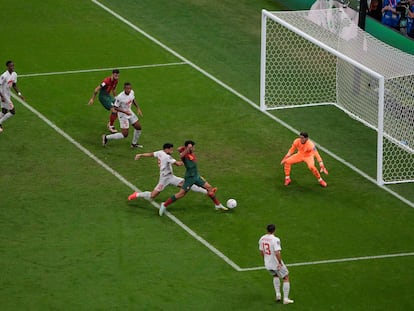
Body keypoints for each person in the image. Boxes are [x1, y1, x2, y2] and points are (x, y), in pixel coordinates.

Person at [158, 140, 228, 216]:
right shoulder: (184, 155)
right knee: (181, 194)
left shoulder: (189, 153)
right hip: (189, 178)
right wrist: (187, 148)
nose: (194, 148)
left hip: (196, 176)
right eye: (193, 147)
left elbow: (179, 148)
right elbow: (181, 155)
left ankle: (217, 204)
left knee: (209, 188)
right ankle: (164, 205)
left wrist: (187, 148)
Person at [127, 143, 208, 201]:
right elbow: (178, 164)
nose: (172, 150)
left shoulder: (160, 152)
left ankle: (207, 191)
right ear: (166, 149)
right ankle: (136, 194)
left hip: (171, 177)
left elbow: (151, 154)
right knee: (153, 195)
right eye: (171, 149)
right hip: (164, 179)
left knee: (187, 184)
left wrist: (141, 155)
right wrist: (187, 161)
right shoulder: (167, 157)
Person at [258, 224, 294, 305]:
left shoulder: (262, 238)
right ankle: (285, 299)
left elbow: (261, 252)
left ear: (266, 230)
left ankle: (278, 295)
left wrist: (266, 259)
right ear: (274, 230)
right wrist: (280, 263)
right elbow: (277, 252)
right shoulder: (275, 239)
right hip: (275, 263)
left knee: (275, 276)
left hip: (267, 263)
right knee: (286, 277)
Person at [101, 82, 143, 148]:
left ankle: (134, 144)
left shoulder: (132, 92)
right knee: (125, 134)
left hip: (129, 112)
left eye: (130, 88)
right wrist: (125, 112)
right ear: (124, 89)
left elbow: (133, 99)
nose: (129, 90)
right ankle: (106, 137)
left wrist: (138, 108)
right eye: (127, 88)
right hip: (122, 115)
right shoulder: (120, 97)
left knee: (138, 127)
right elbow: (115, 107)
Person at [88, 69, 120, 133]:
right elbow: (96, 89)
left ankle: (110, 123)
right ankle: (110, 126)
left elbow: (113, 90)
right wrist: (92, 99)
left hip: (108, 96)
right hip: (103, 97)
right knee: (114, 110)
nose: (117, 77)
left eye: (118, 75)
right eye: (116, 75)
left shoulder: (116, 80)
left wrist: (116, 98)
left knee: (119, 107)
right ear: (112, 74)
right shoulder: (106, 81)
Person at [0, 61, 25, 133]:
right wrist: (2, 97)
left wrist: (19, 94)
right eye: (11, 66)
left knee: (4, 111)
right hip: (3, 95)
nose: (12, 67)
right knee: (12, 111)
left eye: (13, 66)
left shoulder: (14, 74)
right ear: (7, 67)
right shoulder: (4, 76)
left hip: (8, 94)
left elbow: (14, 85)